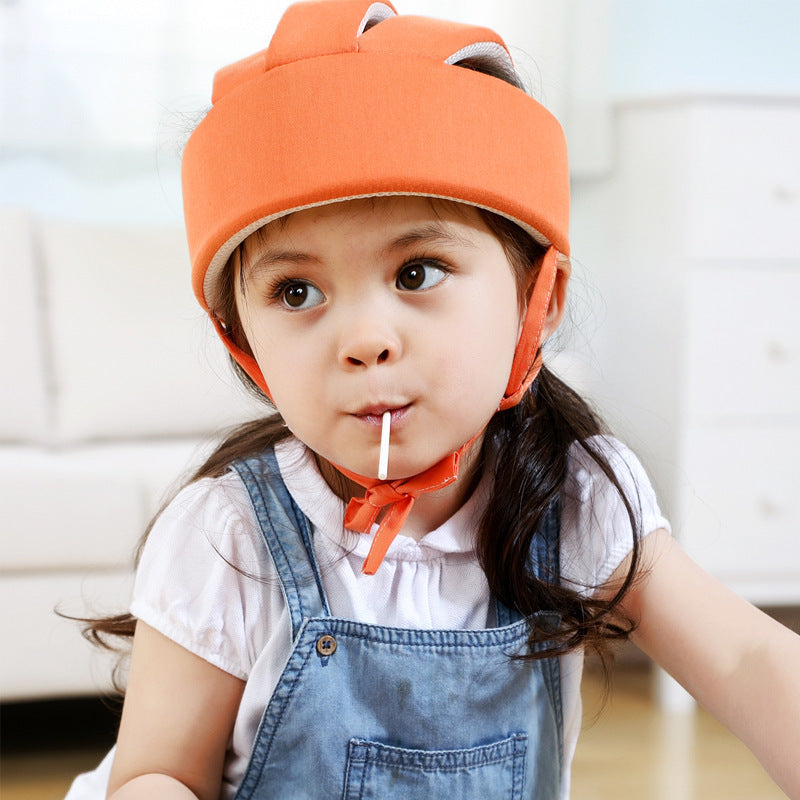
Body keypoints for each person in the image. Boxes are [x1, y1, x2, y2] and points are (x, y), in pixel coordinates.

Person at [65, 2, 800, 799]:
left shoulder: (577, 499)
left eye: (416, 272)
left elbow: (746, 659)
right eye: (297, 289)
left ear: (537, 303)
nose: (364, 339)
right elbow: (159, 776)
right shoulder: (228, 537)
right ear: (242, 342)